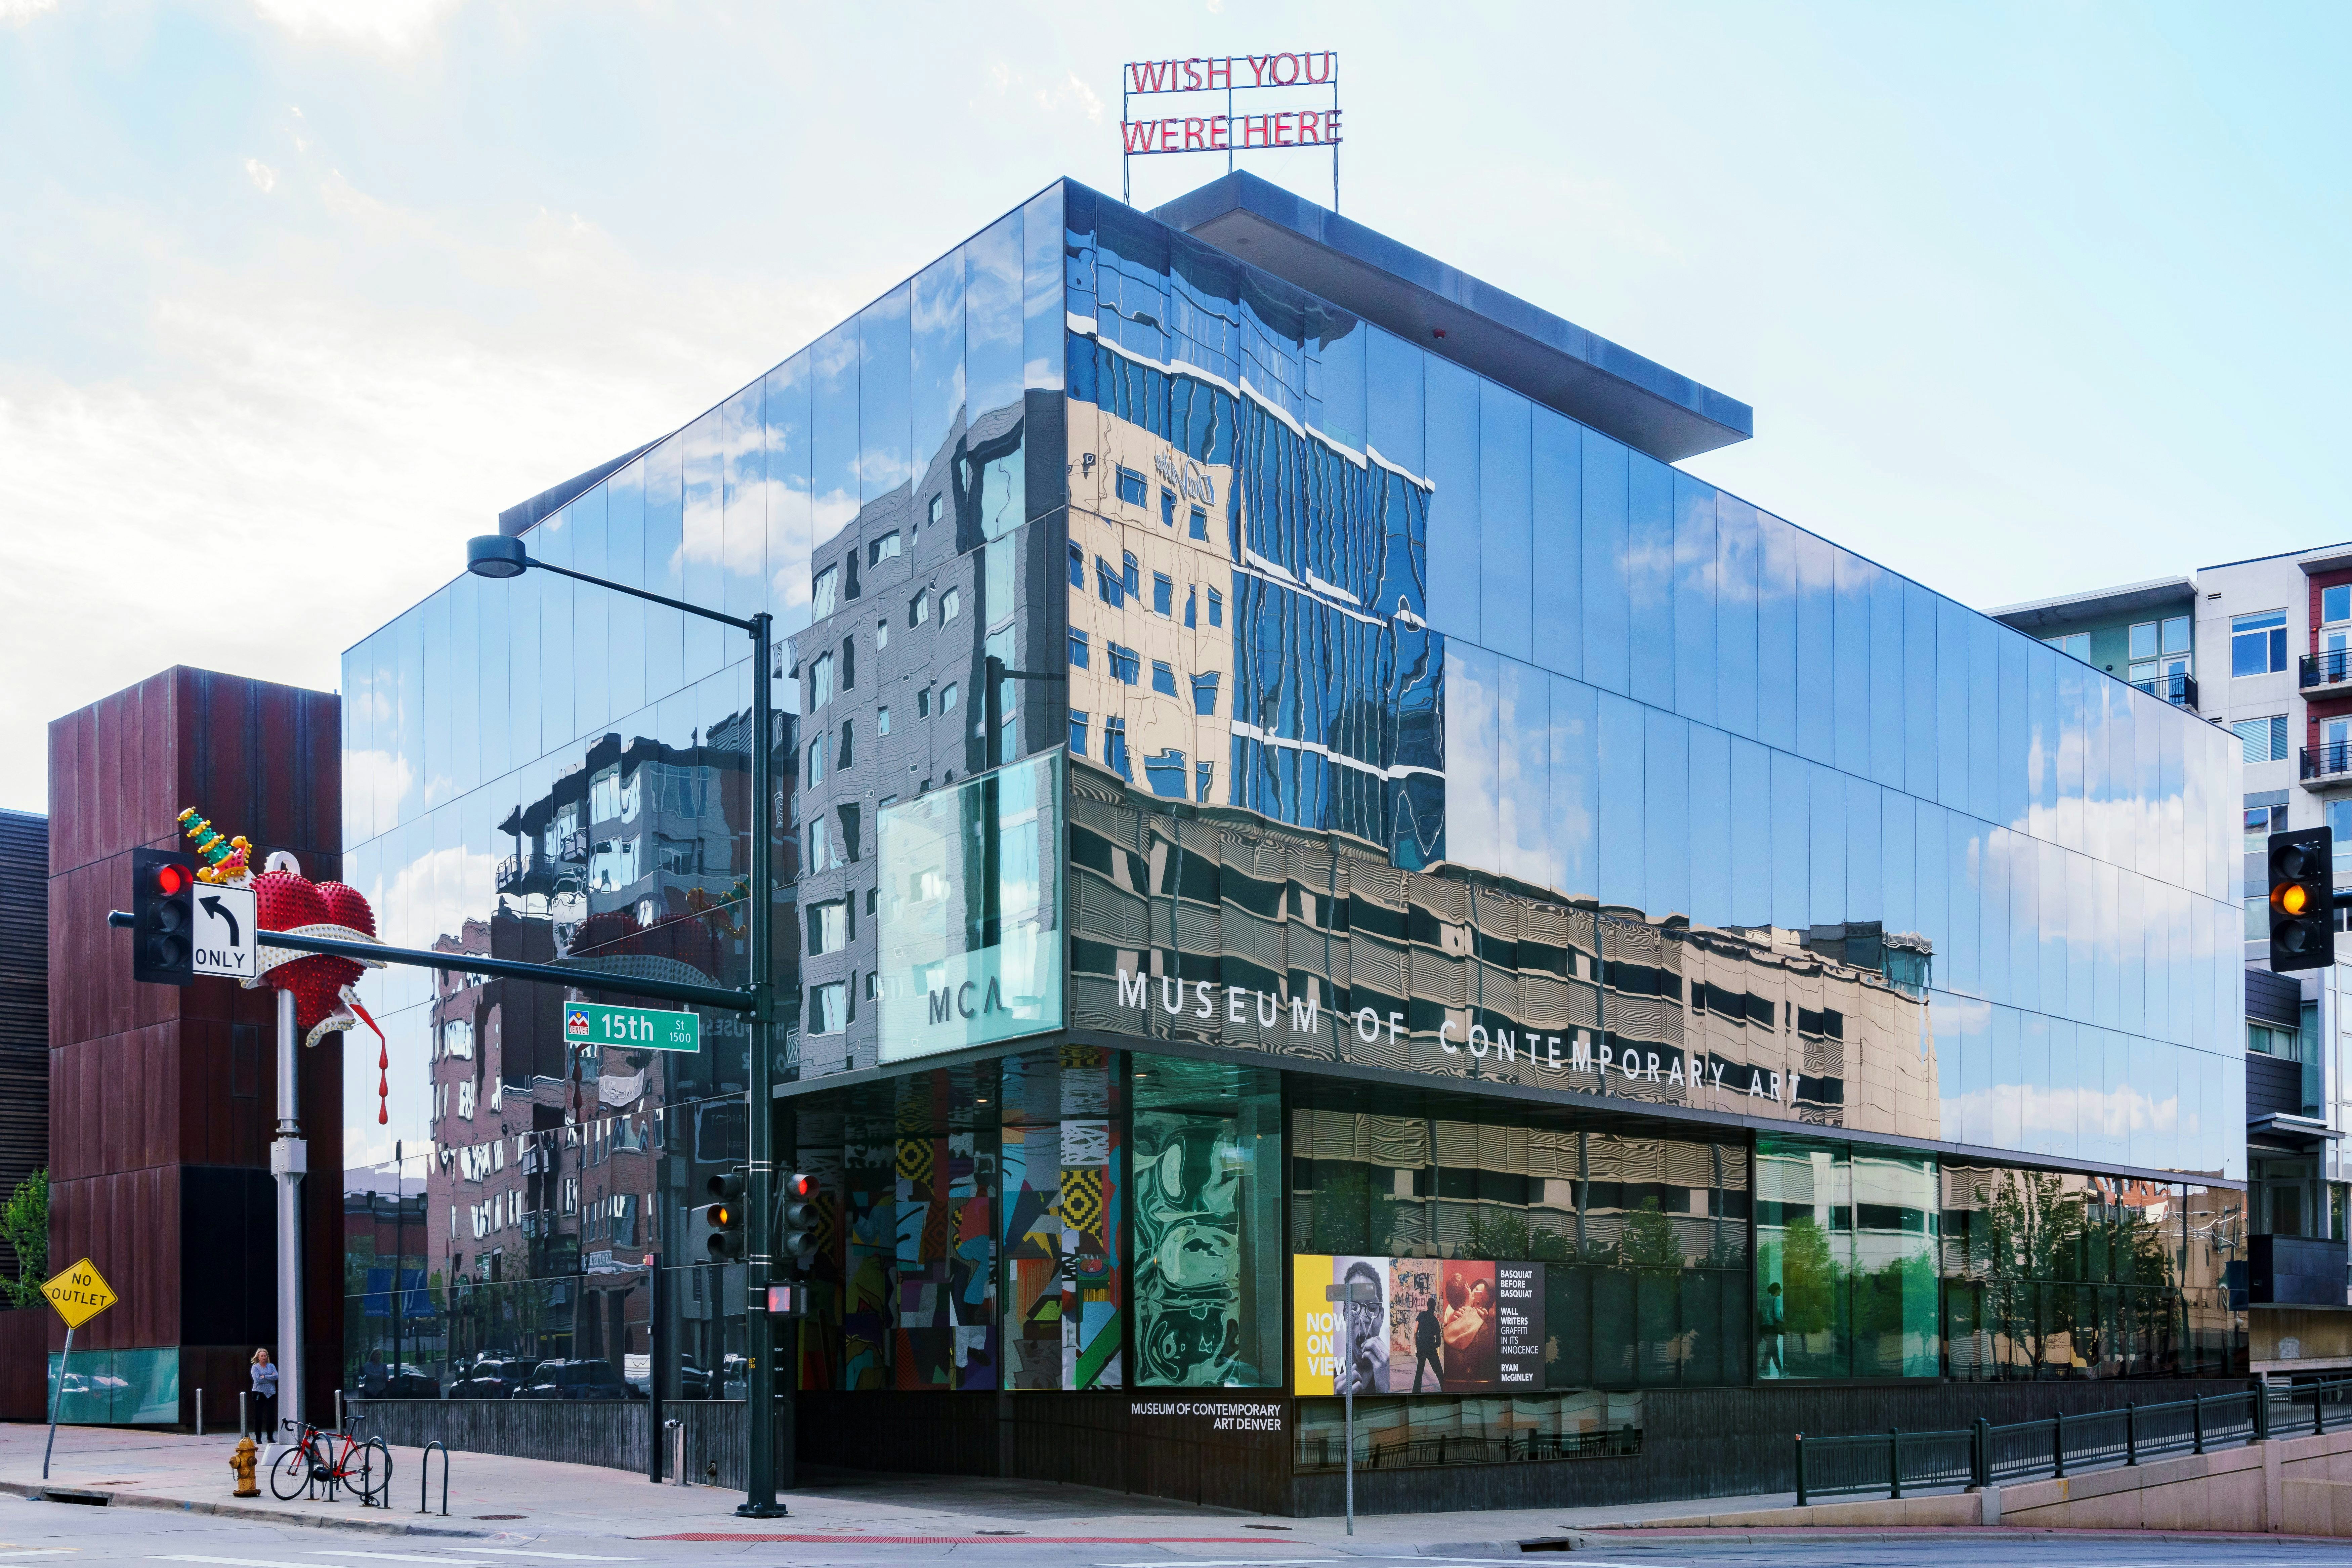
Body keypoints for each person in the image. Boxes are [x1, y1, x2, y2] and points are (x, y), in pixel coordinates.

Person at [249, 1348, 280, 1447]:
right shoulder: (255, 1368)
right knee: (259, 1416)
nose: (264, 1357)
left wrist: (265, 1377)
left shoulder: (272, 1366)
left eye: (265, 1356)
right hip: (259, 1393)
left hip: (271, 1393)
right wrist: (270, 1377)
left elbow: (276, 1377)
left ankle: (270, 1437)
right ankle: (259, 1438)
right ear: (258, 1357)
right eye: (262, 1356)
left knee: (271, 1416)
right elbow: (257, 1380)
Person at [1411, 1299, 1442, 1393]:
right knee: (1439, 1372)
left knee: (1419, 1372)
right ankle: (1446, 1390)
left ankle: (1415, 1394)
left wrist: (1418, 1347)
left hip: (1421, 1347)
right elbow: (1439, 1340)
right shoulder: (1435, 1320)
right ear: (1434, 1308)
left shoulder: (1421, 1315)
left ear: (1427, 1307)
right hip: (1431, 1348)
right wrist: (1435, 1345)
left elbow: (1416, 1332)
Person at [1759, 1281, 1786, 1377]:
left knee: (1774, 1348)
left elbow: (1760, 1314)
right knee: (1771, 1349)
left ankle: (1780, 1370)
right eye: (1780, 1290)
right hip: (1772, 1329)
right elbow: (1777, 1316)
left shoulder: (1763, 1300)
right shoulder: (1776, 1300)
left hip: (1763, 1328)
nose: (1781, 1292)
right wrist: (1783, 1322)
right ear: (1777, 1290)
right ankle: (1763, 1368)